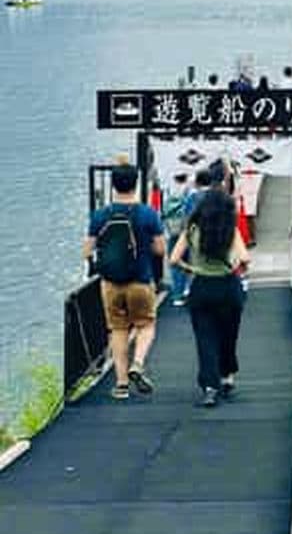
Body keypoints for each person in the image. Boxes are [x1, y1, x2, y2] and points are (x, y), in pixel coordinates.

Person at [83, 163, 166, 400]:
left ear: (113, 184)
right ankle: (137, 363)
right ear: (136, 184)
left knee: (117, 330)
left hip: (110, 283)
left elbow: (87, 249)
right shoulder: (147, 213)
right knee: (146, 325)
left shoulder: (100, 215)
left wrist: (103, 260)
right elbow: (160, 249)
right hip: (140, 280)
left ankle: (120, 385)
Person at [169, 189, 250, 406]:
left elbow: (174, 259)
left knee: (205, 338)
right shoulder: (230, 230)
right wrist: (235, 268)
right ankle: (227, 375)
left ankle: (210, 387)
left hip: (202, 288)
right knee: (228, 335)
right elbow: (244, 258)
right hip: (228, 288)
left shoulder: (192, 230)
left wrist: (192, 268)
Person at [162, 172, 191, 306]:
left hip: (172, 230)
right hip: (186, 231)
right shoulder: (190, 189)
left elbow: (162, 213)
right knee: (188, 259)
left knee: (174, 262)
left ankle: (177, 295)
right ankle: (187, 287)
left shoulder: (167, 189)